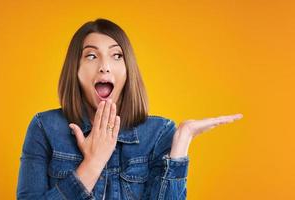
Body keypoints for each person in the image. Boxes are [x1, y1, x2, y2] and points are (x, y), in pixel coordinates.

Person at [16, 18, 243, 200]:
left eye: (117, 55)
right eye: (92, 56)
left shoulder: (159, 133)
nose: (105, 66)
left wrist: (181, 144)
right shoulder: (44, 127)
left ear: (128, 70)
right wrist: (93, 163)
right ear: (75, 70)